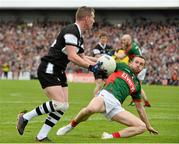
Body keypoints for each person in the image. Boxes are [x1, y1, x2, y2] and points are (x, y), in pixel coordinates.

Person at [16, 6, 106, 142]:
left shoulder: (79, 36)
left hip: (59, 70)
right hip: (49, 68)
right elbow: (72, 57)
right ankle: (25, 117)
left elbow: (82, 56)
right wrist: (92, 67)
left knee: (63, 106)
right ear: (86, 18)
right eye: (93, 17)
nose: (94, 20)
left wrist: (100, 61)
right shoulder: (72, 31)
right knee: (59, 104)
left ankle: (41, 136)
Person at [56, 56, 158, 139]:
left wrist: (148, 125)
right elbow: (107, 63)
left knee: (141, 127)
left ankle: (109, 137)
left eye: (141, 64)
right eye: (137, 62)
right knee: (91, 109)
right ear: (131, 62)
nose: (138, 65)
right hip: (106, 95)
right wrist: (88, 60)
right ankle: (70, 126)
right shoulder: (122, 66)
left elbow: (140, 108)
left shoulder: (137, 85)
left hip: (116, 106)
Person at [114, 34, 151, 107]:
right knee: (137, 86)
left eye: (124, 40)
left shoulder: (130, 48)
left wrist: (114, 53)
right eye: (122, 40)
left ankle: (136, 101)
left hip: (138, 67)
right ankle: (145, 102)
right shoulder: (133, 45)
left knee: (134, 84)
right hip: (141, 66)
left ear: (129, 40)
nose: (123, 42)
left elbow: (121, 57)